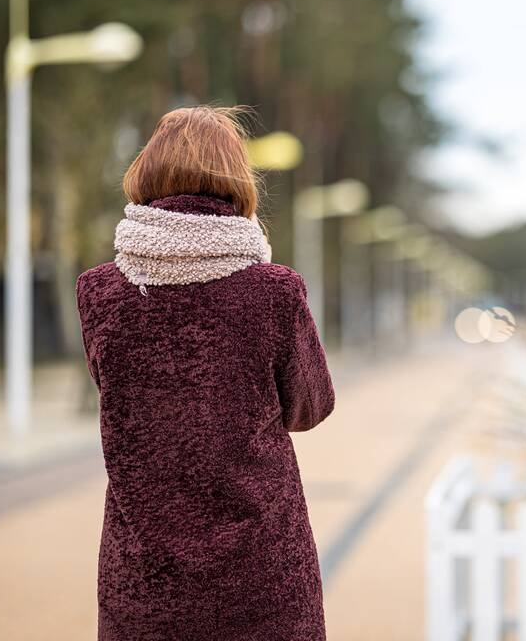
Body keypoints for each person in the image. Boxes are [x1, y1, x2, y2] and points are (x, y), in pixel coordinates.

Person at [76, 106, 335, 641]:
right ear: (238, 182)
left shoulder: (98, 293)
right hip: (263, 577)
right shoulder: (274, 291)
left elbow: (119, 396)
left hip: (144, 582)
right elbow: (311, 407)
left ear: (145, 175)